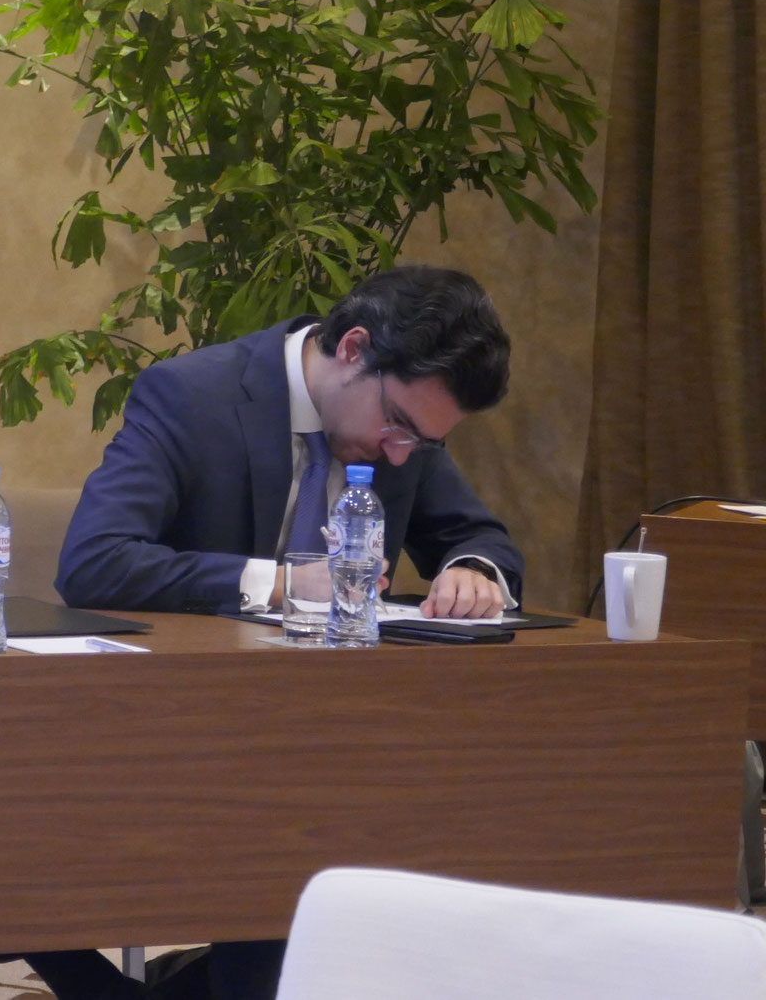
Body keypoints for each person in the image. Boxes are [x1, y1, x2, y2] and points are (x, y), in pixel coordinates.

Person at [56, 265, 526, 999]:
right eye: (400, 427)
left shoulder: (402, 431)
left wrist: (474, 571)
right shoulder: (192, 394)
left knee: (461, 840)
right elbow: (95, 560)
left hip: (342, 741)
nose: (401, 453)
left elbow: (482, 537)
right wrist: (281, 583)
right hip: (184, 734)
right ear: (354, 349)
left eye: (423, 443)